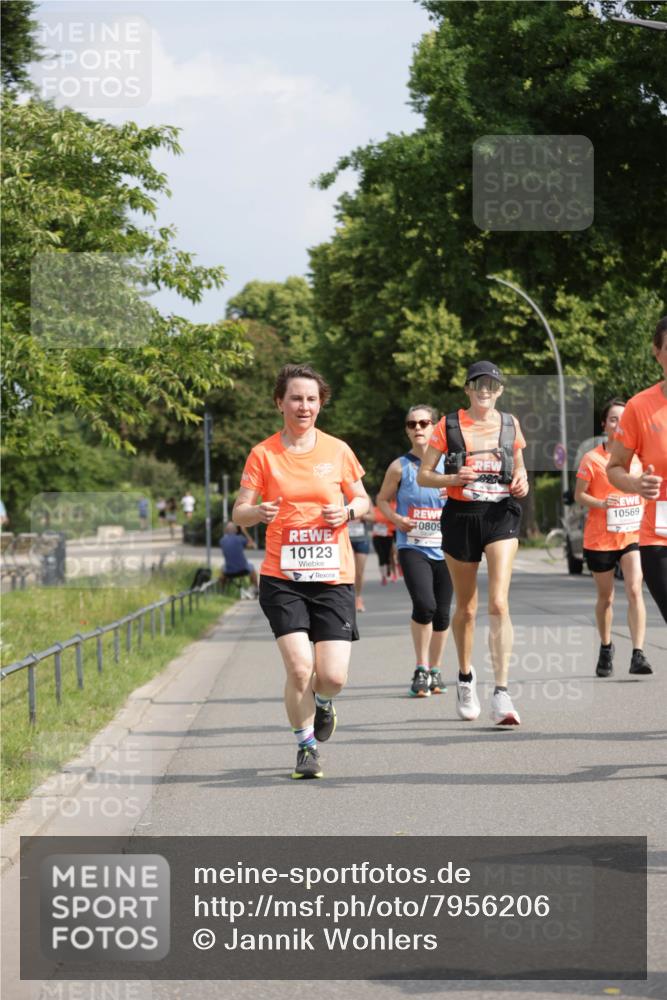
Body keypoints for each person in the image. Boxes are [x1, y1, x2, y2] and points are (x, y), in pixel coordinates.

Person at [233, 363, 370, 780]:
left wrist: (347, 512)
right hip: (282, 577)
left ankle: (324, 702)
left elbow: (363, 499)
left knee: (332, 676)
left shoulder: (337, 450)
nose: (303, 406)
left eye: (311, 399)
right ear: (280, 403)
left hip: (332, 575)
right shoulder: (263, 454)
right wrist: (257, 512)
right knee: (298, 668)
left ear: (320, 404)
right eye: (295, 398)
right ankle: (306, 747)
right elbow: (239, 512)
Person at [418, 361, 529, 726]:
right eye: (478, 384)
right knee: (466, 609)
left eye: (492, 385)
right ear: (467, 388)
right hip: (461, 517)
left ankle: (502, 692)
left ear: (500, 390)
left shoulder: (510, 424)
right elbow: (424, 475)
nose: (485, 390)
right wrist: (453, 477)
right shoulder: (447, 425)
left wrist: (522, 481)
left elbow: (520, 467)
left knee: (498, 602)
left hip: (501, 515)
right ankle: (466, 677)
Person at [377, 404, 452, 697]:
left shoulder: (450, 463)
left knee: (442, 613)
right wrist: (396, 519)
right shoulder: (400, 466)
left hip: (447, 548)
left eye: (423, 423)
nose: (418, 428)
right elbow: (382, 499)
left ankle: (435, 670)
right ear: (407, 430)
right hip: (413, 546)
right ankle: (421, 668)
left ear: (435, 427)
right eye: (412, 424)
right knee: (425, 605)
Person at [575, 398, 652, 676]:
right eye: (613, 419)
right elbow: (579, 495)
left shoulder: (640, 458)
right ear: (604, 425)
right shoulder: (592, 459)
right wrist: (601, 503)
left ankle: (638, 653)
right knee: (606, 598)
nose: (619, 424)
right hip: (600, 539)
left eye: (623, 419)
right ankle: (606, 646)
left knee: (634, 589)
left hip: (632, 535)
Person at [608, 316, 667, 624]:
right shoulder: (640, 407)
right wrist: (636, 484)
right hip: (660, 537)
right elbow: (614, 468)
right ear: (657, 353)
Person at [219, 521, 258, 594]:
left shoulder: (222, 541)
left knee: (222, 569)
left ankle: (222, 591)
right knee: (252, 567)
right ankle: (256, 589)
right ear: (236, 530)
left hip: (229, 571)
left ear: (226, 531)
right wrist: (244, 531)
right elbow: (253, 545)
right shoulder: (240, 539)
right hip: (243, 569)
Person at [347, 507, 374, 612]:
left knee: (359, 572)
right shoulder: (340, 498)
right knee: (348, 571)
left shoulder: (364, 499)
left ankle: (358, 597)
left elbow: (373, 517)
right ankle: (348, 598)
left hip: (361, 540)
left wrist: (361, 515)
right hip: (346, 540)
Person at [371, 501, 396, 585]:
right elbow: (371, 518)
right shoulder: (374, 510)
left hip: (388, 535)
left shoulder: (389, 509)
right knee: (381, 556)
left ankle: (391, 572)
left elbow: (394, 519)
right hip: (377, 536)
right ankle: (383, 576)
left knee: (388, 556)